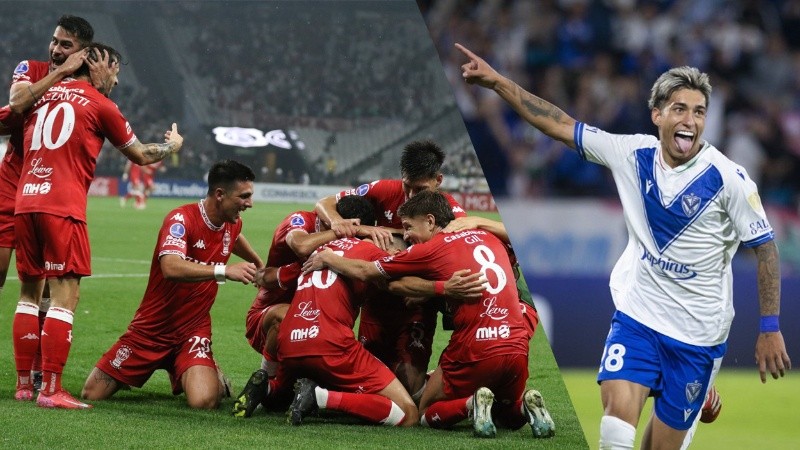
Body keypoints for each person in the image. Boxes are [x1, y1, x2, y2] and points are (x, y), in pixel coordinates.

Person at [455, 43, 792, 448]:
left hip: (698, 336)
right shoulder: (631, 153)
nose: (690, 120)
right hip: (639, 318)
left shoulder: (729, 179)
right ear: (657, 115)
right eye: (680, 109)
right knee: (615, 428)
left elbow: (766, 247)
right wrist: (498, 82)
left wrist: (770, 327)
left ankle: (696, 388)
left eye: (699, 111)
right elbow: (558, 124)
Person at [12, 43, 185, 409]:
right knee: (66, 296)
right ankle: (51, 391)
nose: (116, 81)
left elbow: (8, 114)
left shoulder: (39, 96)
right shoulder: (100, 104)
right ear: (96, 68)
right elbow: (141, 154)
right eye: (114, 72)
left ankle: (24, 385)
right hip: (62, 208)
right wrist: (172, 146)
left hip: (25, 202)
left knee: (29, 295)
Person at [302, 190, 554, 439]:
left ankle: (471, 403)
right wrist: (480, 221)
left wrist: (330, 258)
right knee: (506, 416)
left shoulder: (431, 249)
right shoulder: (490, 237)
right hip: (518, 347)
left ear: (431, 221)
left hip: (474, 349)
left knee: (424, 410)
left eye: (409, 227)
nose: (406, 235)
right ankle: (524, 406)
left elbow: (371, 273)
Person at [82, 159, 261, 409]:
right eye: (244, 196)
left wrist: (258, 263)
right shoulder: (181, 219)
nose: (249, 203)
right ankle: (167, 367)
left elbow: (234, 236)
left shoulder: (232, 222)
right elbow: (171, 267)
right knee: (92, 392)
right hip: (152, 328)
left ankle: (205, 371)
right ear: (220, 194)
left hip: (192, 329)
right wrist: (224, 271)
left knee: (204, 401)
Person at [5, 15, 114, 395]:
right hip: (15, 185)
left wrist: (96, 86)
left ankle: (33, 376)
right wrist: (63, 73)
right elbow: (16, 103)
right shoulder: (31, 70)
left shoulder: (87, 91)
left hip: (40, 191)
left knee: (44, 288)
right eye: (55, 41)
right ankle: (45, 383)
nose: (55, 49)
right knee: (22, 280)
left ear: (83, 53)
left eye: (66, 45)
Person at [315, 140, 468, 400]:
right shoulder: (384, 189)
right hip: (377, 301)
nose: (410, 196)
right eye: (407, 186)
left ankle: (433, 384)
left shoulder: (448, 210)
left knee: (408, 388)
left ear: (438, 180)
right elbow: (325, 202)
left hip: (417, 304)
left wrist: (430, 294)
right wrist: (338, 222)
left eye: (420, 189)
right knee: (367, 380)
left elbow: (461, 253)